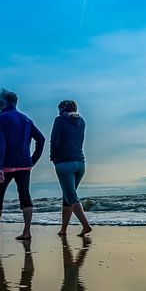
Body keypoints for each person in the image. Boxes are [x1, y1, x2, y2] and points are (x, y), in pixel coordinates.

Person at [0, 89, 45, 240]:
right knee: (25, 195)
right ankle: (27, 232)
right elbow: (41, 139)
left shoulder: (0, 119)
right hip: (24, 164)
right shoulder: (26, 119)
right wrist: (32, 160)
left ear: (1, 104)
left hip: (6, 165)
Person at [50, 99, 92, 236]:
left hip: (64, 163)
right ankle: (63, 229)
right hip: (80, 163)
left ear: (63, 108)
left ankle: (86, 225)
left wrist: (53, 157)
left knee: (72, 198)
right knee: (67, 198)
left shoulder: (59, 120)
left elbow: (54, 140)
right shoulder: (82, 122)